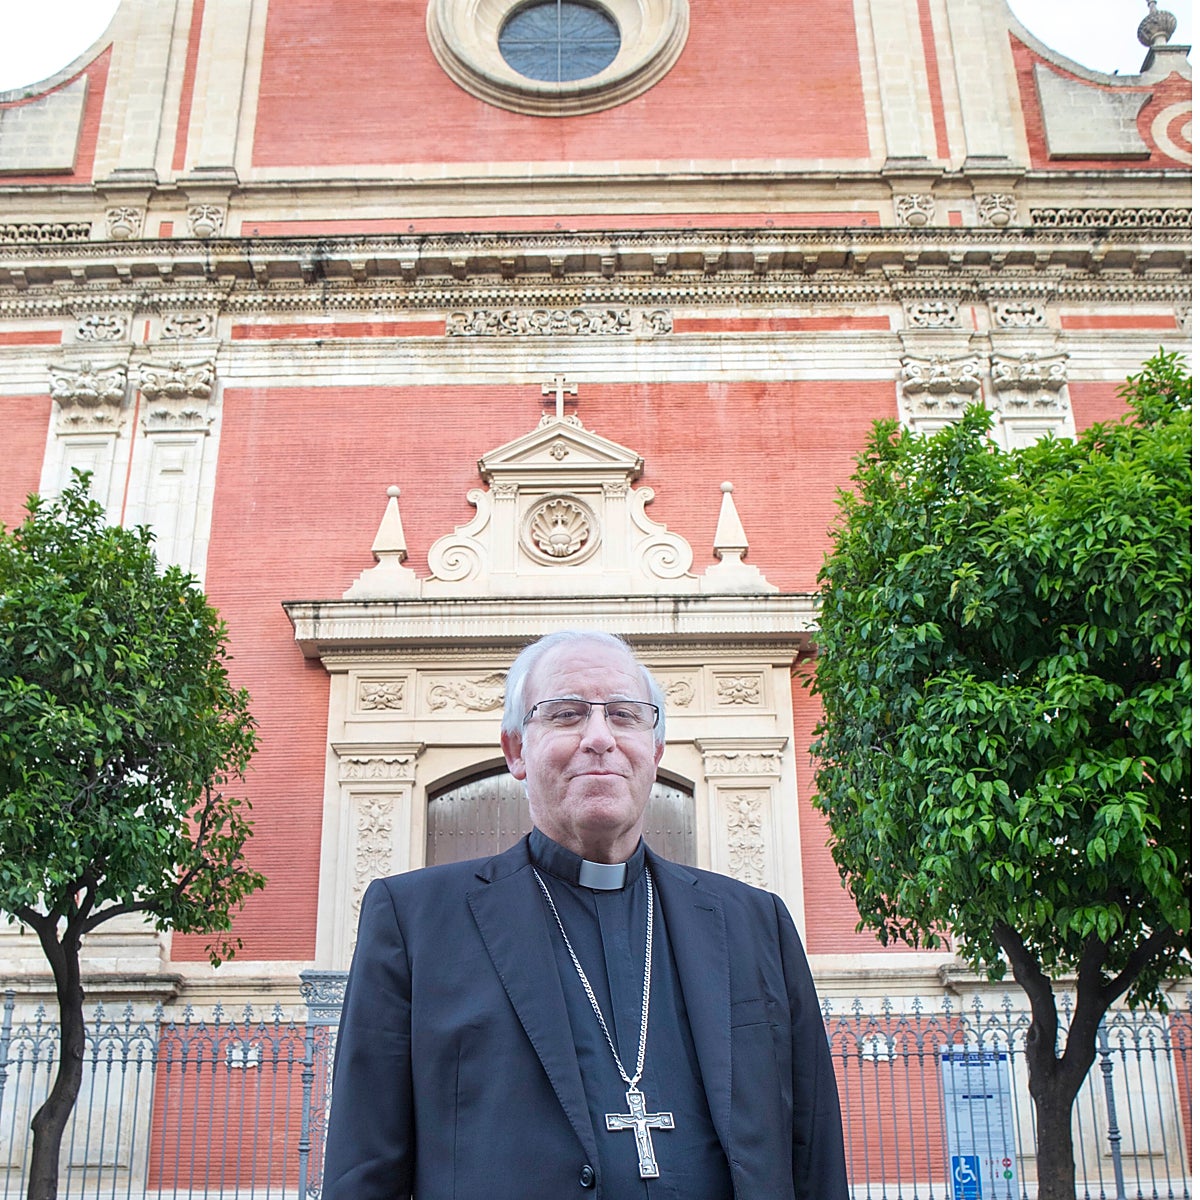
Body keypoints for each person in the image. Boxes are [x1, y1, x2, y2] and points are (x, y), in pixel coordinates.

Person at [323, 630, 848, 1199]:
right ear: (516, 751)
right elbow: (363, 1172)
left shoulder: (755, 923)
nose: (600, 738)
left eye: (625, 715)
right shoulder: (414, 922)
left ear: (655, 750)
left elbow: (813, 1155)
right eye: (566, 714)